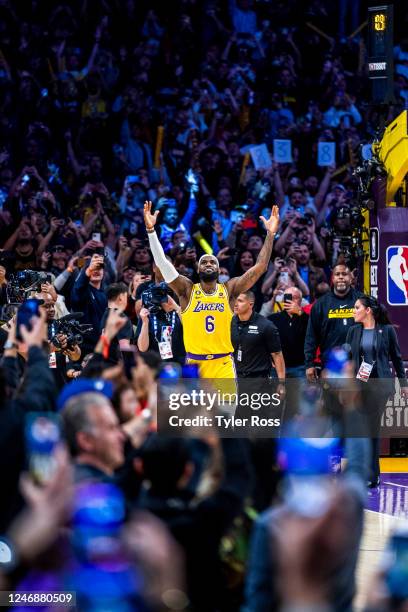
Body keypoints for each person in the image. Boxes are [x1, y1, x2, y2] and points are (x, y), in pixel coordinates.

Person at [143, 200, 279, 378]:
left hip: (222, 364)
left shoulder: (229, 290)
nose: (208, 264)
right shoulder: (187, 290)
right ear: (198, 269)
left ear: (218, 268)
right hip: (195, 364)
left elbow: (260, 267)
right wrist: (151, 232)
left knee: (226, 407)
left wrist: (270, 234)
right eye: (204, 262)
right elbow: (161, 263)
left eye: (212, 262)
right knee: (197, 407)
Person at [346, 295, 408, 487]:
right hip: (359, 386)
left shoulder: (386, 331)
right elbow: (347, 360)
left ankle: (372, 475)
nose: (353, 311)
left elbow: (397, 359)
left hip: (380, 386)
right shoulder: (353, 331)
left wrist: (403, 384)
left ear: (368, 310)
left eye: (357, 308)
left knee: (371, 429)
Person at [304, 261, 362, 381]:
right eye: (337, 274)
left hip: (358, 364)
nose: (341, 277)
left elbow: (373, 331)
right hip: (330, 364)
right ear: (332, 278)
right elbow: (311, 336)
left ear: (351, 277)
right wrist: (309, 364)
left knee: (359, 399)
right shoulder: (320, 304)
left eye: (344, 274)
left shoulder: (362, 301)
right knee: (331, 399)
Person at [61, 391, 125, 484]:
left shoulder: (73, 480)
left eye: (117, 427)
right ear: (86, 441)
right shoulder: (92, 489)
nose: (121, 437)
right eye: (111, 428)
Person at [231, 291, 285, 380]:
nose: (236, 304)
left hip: (259, 379)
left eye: (240, 301)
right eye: (235, 300)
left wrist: (281, 383)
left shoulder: (266, 325)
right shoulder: (229, 323)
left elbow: (277, 354)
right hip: (234, 378)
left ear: (250, 304)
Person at [35, 291, 81, 388]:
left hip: (58, 380)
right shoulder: (28, 329)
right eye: (47, 306)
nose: (52, 309)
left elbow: (75, 356)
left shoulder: (60, 325)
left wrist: (75, 352)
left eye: (52, 305)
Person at [136, 283, 186, 365]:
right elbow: (142, 348)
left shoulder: (179, 313)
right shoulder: (148, 315)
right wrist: (145, 323)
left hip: (178, 364)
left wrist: (175, 306)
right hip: (155, 365)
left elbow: (191, 330)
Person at [71, 253, 108, 353]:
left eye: (99, 268)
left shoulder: (107, 293)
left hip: (105, 348)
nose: (96, 270)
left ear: (104, 271)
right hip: (86, 350)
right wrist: (87, 271)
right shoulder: (82, 291)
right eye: (92, 268)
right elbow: (79, 289)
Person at [269, 286, 309, 378]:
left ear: (301, 300)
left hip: (300, 367)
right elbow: (263, 341)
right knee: (276, 392)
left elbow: (315, 331)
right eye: (288, 297)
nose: (291, 300)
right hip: (277, 368)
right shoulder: (272, 319)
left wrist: (300, 312)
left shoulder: (306, 318)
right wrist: (268, 358)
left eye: (295, 297)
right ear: (283, 300)